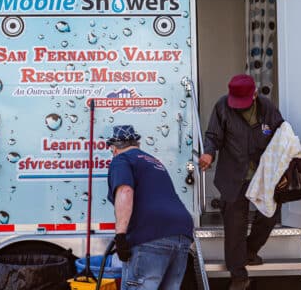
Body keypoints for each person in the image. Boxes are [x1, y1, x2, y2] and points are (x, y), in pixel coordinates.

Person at [198, 74, 284, 290]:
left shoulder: (268, 109)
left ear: (254, 95)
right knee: (235, 226)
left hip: (262, 174)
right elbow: (212, 136)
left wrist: (284, 172)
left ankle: (249, 251)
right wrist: (209, 154)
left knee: (270, 215)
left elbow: (282, 139)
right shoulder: (222, 106)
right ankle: (238, 276)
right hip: (232, 174)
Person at [106, 124, 193, 290]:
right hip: (182, 232)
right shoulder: (153, 161)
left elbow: (125, 190)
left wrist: (121, 235)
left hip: (151, 234)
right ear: (137, 144)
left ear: (114, 149)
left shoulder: (121, 159)